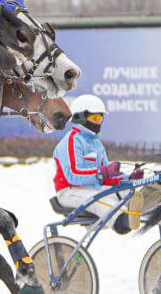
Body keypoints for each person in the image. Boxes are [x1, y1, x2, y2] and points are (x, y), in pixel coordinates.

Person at [52, 94, 143, 233]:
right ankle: (122, 220)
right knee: (101, 200)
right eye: (94, 118)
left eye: (100, 118)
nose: (98, 122)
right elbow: (73, 175)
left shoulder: (97, 144)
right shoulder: (71, 140)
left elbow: (106, 177)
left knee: (127, 192)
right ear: (80, 117)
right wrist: (102, 172)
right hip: (70, 192)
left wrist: (128, 179)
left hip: (93, 188)